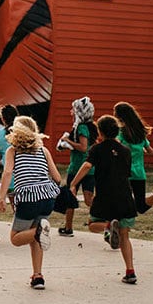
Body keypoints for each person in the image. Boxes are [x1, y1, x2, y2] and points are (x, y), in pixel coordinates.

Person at [71, 115, 139, 284]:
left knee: (93, 224)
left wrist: (73, 183)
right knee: (125, 236)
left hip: (105, 196)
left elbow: (87, 165)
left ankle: (108, 226)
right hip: (124, 195)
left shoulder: (96, 149)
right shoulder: (125, 151)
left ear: (100, 132)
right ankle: (130, 271)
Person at [0, 116, 62, 289]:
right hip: (47, 196)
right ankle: (38, 276)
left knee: (16, 238)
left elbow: (7, 173)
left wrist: (2, 198)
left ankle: (40, 231)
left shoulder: (13, 151)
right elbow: (57, 177)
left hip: (28, 199)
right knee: (36, 237)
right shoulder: (43, 150)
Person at [113, 102, 153, 218]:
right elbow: (151, 151)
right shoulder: (140, 133)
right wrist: (139, 150)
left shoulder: (121, 133)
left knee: (122, 202)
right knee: (140, 206)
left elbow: (116, 147)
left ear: (119, 117)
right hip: (139, 173)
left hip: (125, 173)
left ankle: (120, 228)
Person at [58, 97, 97, 236]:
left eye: (73, 110)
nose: (71, 112)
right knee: (88, 199)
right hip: (90, 169)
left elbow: (83, 147)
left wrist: (67, 141)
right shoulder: (91, 127)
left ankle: (68, 227)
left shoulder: (81, 127)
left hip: (77, 168)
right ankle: (104, 218)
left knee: (70, 197)